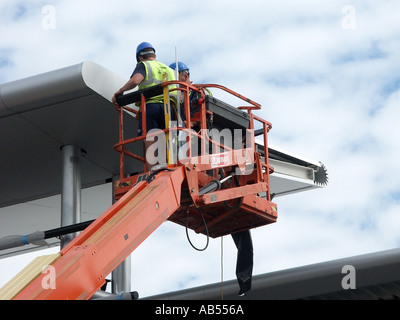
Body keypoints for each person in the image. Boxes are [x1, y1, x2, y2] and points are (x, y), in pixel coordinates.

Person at [112, 42, 176, 169]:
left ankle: (151, 167)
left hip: (151, 106)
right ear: (154, 55)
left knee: (149, 136)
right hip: (170, 108)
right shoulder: (169, 69)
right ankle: (166, 163)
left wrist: (120, 91)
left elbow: (136, 80)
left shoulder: (144, 65)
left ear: (140, 57)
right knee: (166, 134)